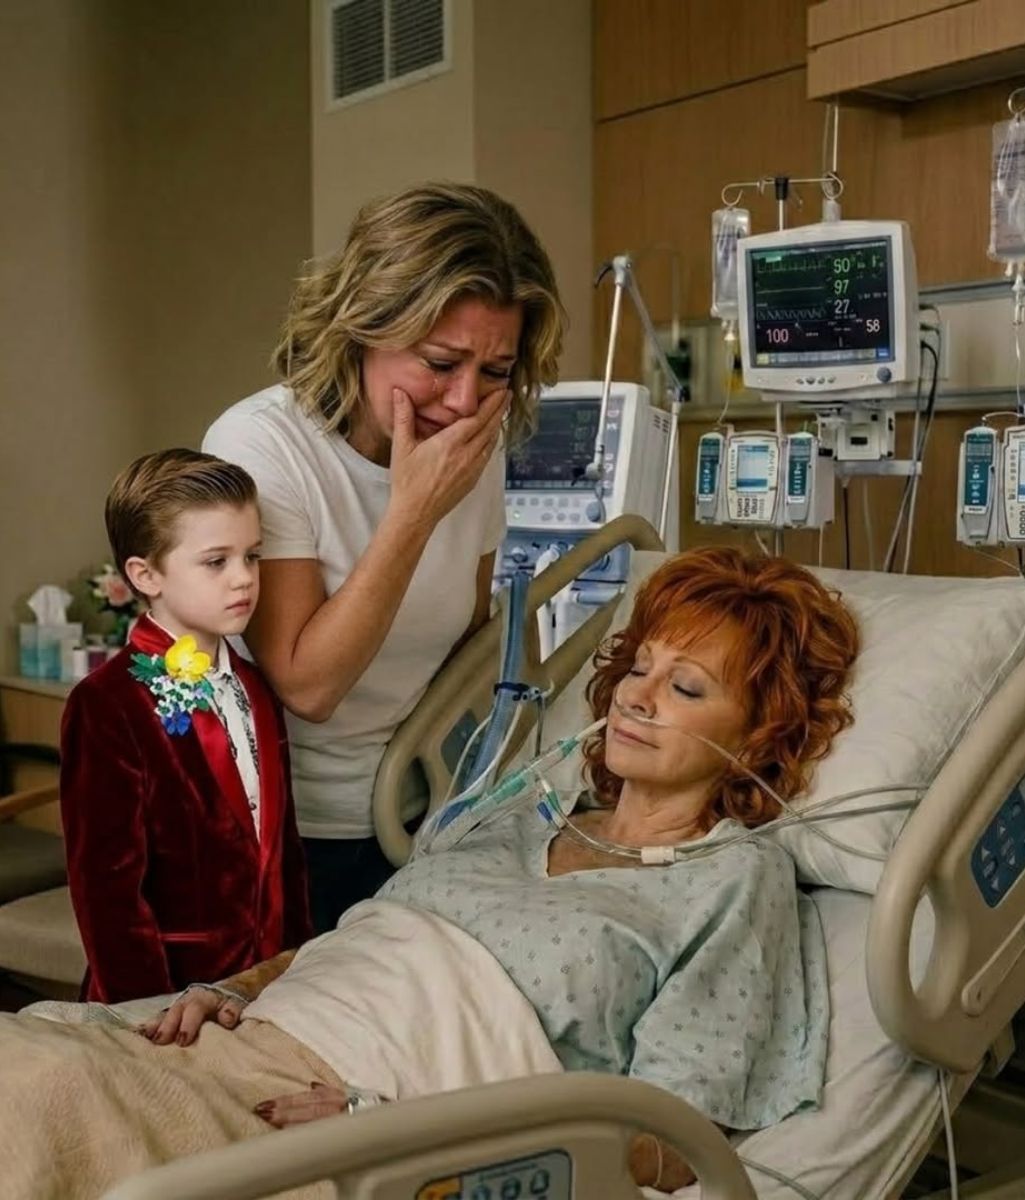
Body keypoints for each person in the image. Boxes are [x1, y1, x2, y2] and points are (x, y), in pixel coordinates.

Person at [6, 548, 858, 1196]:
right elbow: (364, 943)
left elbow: (673, 1139)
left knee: (38, 1100)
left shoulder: (730, 879)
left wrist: (410, 1133)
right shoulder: (520, 814)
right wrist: (232, 989)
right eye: (639, 669)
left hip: (350, 1122)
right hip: (239, 1043)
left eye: (687, 688)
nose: (636, 697)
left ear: (759, 733)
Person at [203, 182, 565, 933]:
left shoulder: (469, 445)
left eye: (495, 371)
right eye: (440, 362)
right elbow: (309, 685)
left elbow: (467, 650)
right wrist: (413, 512)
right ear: (364, 328)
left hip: (416, 822)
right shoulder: (262, 447)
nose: (463, 401)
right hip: (279, 840)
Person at [59, 449, 311, 1003]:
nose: (244, 579)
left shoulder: (257, 687)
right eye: (216, 562)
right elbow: (107, 891)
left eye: (252, 556)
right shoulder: (106, 704)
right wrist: (146, 1012)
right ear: (145, 574)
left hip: (263, 989)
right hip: (162, 999)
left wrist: (291, 970)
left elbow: (284, 852)